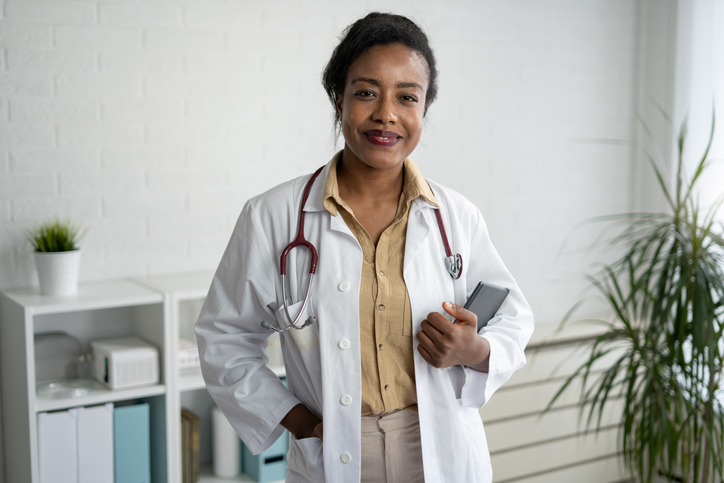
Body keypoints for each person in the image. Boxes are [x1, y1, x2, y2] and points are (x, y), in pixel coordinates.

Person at [195, 12, 534, 483]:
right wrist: (302, 424)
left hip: (440, 446)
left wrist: (474, 350)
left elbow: (513, 317)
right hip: (335, 448)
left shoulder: (456, 217)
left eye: (407, 97)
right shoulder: (272, 217)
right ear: (339, 101)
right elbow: (224, 338)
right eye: (366, 92)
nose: (386, 114)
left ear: (423, 111)